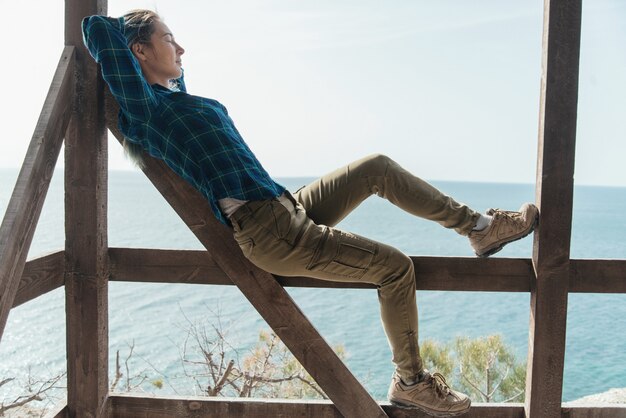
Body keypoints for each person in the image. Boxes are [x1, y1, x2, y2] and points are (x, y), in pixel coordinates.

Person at [82, 10, 538, 417]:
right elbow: (93, 26)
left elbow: (172, 70)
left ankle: (479, 228)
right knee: (396, 269)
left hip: (288, 207)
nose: (181, 48)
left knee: (375, 167)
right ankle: (412, 383)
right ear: (137, 50)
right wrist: (126, 28)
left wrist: (160, 52)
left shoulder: (176, 99)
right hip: (272, 233)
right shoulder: (147, 112)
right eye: (168, 38)